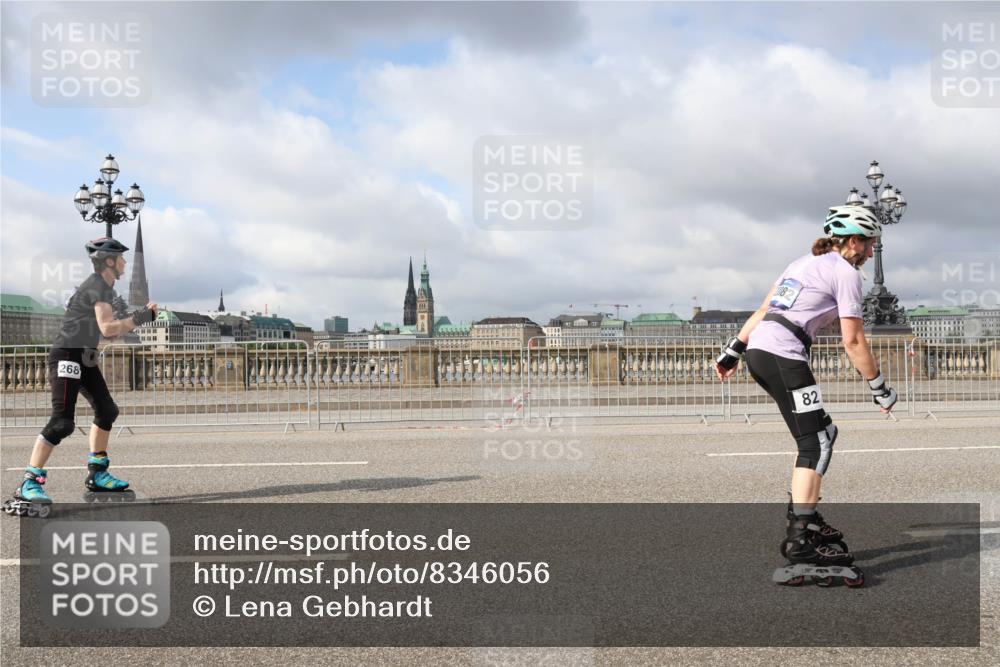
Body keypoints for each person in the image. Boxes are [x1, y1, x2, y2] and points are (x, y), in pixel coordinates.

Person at [714, 205, 897, 574]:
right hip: (785, 357)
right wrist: (880, 388)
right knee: (816, 443)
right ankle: (800, 538)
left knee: (825, 431)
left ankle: (807, 516)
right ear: (852, 241)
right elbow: (854, 340)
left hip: (762, 353)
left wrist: (733, 351)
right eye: (870, 242)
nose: (872, 250)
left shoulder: (799, 265)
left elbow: (765, 309)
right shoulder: (845, 273)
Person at [3, 237, 156, 516]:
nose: (124, 262)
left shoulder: (101, 287)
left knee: (107, 410)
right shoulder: (98, 286)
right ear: (109, 261)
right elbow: (108, 328)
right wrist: (141, 318)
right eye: (121, 258)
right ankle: (28, 482)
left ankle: (97, 473)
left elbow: (100, 331)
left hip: (83, 357)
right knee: (62, 423)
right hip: (67, 356)